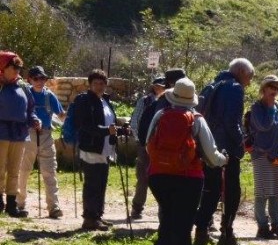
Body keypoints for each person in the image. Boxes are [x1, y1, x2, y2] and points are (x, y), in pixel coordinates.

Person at [146, 77, 227, 245]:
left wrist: (165, 160)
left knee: (167, 214)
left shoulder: (160, 115)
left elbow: (149, 144)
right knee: (183, 221)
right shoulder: (197, 120)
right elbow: (210, 154)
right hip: (187, 177)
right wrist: (223, 159)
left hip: (158, 175)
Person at [194, 57, 254, 245]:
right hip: (226, 148)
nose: (249, 83)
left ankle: (201, 231)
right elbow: (232, 122)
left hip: (207, 147)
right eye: (250, 77)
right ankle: (227, 233)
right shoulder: (235, 88)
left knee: (210, 191)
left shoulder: (211, 86)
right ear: (241, 72)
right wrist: (241, 143)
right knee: (231, 192)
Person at [70, 69, 128, 231]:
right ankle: (89, 218)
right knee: (92, 184)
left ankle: (97, 216)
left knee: (101, 182)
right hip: (91, 148)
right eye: (95, 83)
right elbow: (85, 125)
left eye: (102, 83)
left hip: (105, 148)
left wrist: (122, 130)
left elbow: (109, 125)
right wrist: (105, 131)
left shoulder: (104, 101)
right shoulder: (84, 101)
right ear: (90, 84)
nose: (99, 86)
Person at [247, 75, 278, 241]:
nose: (274, 91)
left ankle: (277, 226)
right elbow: (264, 126)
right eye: (271, 87)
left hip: (276, 155)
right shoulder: (257, 108)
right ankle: (262, 227)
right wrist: (270, 108)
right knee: (262, 193)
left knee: (276, 192)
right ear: (264, 88)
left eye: (277, 88)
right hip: (261, 155)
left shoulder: (277, 106)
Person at [16, 66, 64, 218]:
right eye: (36, 78)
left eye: (42, 78)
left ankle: (53, 207)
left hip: (46, 135)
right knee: (24, 170)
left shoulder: (49, 96)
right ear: (29, 79)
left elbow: (61, 115)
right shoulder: (24, 93)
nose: (39, 82)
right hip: (28, 134)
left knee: (49, 171)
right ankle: (19, 203)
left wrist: (72, 122)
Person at [0, 52, 40, 217]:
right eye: (13, 67)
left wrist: (35, 120)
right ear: (3, 67)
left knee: (15, 170)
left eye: (19, 67)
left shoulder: (22, 87)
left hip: (19, 133)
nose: (17, 70)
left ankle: (11, 205)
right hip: (1, 132)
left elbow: (30, 109)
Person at [128, 75, 166, 220]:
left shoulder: (168, 101)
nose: (159, 88)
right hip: (144, 145)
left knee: (162, 178)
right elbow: (135, 123)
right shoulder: (144, 101)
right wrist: (143, 141)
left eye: (162, 86)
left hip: (162, 147)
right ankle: (137, 208)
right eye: (157, 85)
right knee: (142, 177)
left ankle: (163, 210)